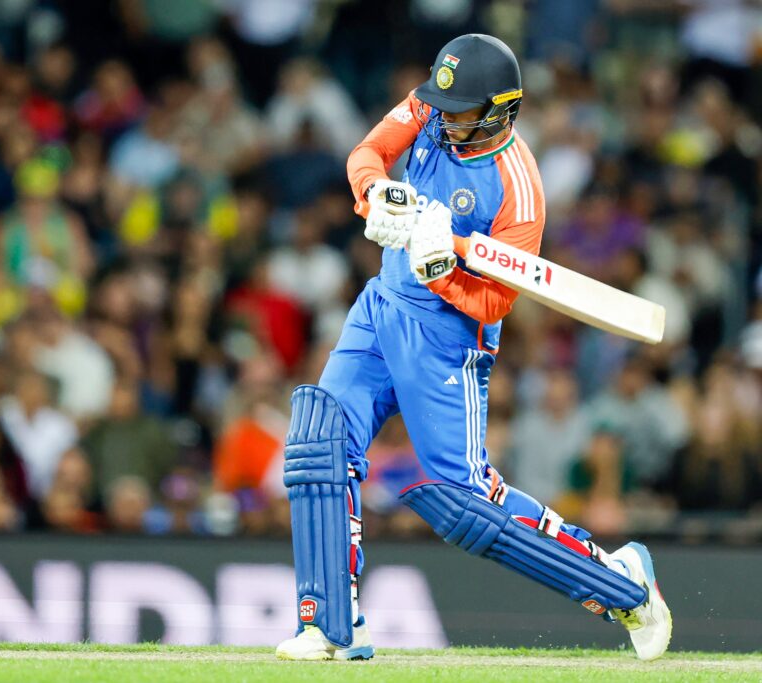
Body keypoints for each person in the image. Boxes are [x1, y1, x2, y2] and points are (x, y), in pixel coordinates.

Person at [275, 34, 671, 662]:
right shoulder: (433, 106)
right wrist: (377, 192)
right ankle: (330, 625)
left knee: (467, 504)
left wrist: (442, 272)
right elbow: (368, 152)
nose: (443, 118)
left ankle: (621, 583)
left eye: (460, 111)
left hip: (448, 338)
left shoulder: (519, 188)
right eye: (440, 104)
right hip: (381, 308)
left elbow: (494, 304)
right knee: (319, 442)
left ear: (499, 110)